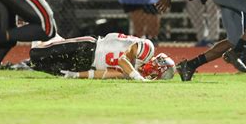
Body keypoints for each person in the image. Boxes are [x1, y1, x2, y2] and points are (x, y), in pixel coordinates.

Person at [30, 33, 175, 80]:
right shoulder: (147, 49)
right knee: (36, 54)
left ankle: (53, 39)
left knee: (38, 65)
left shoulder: (134, 73)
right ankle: (47, 31)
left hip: (86, 64)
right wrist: (137, 77)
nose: (154, 75)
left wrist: (76, 75)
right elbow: (123, 59)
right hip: (89, 47)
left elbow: (105, 74)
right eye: (158, 72)